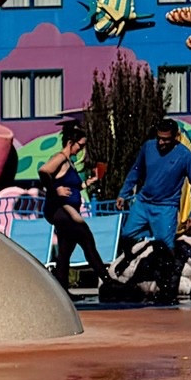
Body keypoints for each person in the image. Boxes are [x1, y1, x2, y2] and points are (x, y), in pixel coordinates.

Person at [38, 119, 113, 293]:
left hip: (67, 209)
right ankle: (108, 281)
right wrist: (55, 190)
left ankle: (62, 291)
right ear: (71, 143)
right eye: (80, 145)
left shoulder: (69, 162)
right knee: (86, 239)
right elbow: (43, 171)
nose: (81, 149)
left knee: (65, 249)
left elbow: (74, 187)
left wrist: (90, 182)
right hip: (60, 209)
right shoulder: (60, 158)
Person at [119, 117, 191, 250]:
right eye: (159, 138)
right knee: (126, 237)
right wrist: (123, 193)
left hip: (166, 207)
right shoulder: (148, 147)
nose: (161, 142)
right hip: (143, 203)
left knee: (165, 248)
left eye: (166, 139)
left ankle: (171, 268)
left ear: (175, 137)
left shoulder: (185, 156)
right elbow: (136, 171)